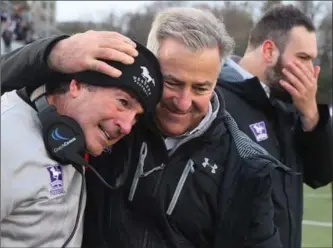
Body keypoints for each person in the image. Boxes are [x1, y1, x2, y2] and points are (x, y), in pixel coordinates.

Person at [0, 7, 292, 248]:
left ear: (217, 83)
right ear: (151, 71)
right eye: (173, 83)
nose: (183, 101)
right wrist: (55, 52)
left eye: (201, 87)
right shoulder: (112, 125)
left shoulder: (245, 166)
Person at [0, 39, 163, 247]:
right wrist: (54, 53)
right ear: (76, 85)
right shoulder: (7, 139)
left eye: (136, 117)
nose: (127, 126)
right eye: (123, 102)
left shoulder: (82, 136)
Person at [219, 4, 333, 248]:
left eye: (313, 60)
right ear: (269, 51)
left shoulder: (287, 106)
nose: (310, 71)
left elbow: (321, 176)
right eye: (303, 58)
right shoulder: (217, 99)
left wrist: (312, 116)